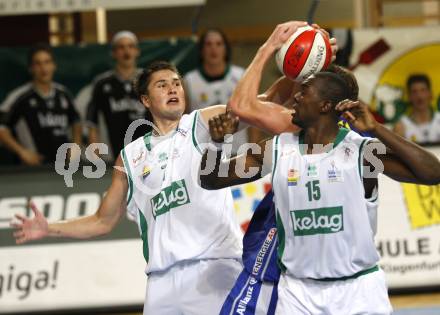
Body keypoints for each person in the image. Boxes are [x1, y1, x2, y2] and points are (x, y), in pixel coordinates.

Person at [200, 21, 440, 314]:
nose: (296, 96)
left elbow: (432, 173)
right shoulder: (278, 148)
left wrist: (377, 129)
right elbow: (212, 179)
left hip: (358, 292)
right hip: (299, 294)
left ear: (326, 106)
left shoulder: (360, 152)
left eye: (306, 91)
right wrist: (217, 143)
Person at [11, 60, 246, 315]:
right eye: (162, 85)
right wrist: (50, 228)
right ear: (146, 100)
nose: (173, 89)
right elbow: (102, 221)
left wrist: (270, 53)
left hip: (214, 270)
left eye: (177, 83)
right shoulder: (130, 156)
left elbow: (248, 111)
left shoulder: (200, 123)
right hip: (162, 282)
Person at [0, 43, 81, 165]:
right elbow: (1, 129)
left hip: (64, 169)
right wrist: (22, 152)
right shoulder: (20, 97)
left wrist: (75, 146)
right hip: (34, 171)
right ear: (31, 68)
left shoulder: (64, 94)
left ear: (54, 65)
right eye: (38, 64)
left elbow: (76, 121)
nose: (44, 69)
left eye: (47, 62)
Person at [85, 31, 150, 160]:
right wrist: (95, 151)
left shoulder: (148, 79)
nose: (126, 51)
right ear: (114, 53)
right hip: (113, 157)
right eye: (121, 47)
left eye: (131, 46)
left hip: (148, 154)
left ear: (137, 51)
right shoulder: (102, 83)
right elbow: (92, 120)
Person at [184, 28, 248, 154]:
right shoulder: (188, 81)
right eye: (208, 44)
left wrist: (253, 149)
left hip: (238, 151)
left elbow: (253, 117)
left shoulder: (241, 76)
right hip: (204, 154)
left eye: (219, 44)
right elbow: (185, 122)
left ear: (225, 49)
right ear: (201, 50)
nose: (214, 49)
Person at [393, 74, 440, 143]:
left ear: (430, 94)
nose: (419, 96)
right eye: (414, 92)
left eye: (423, 90)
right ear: (409, 97)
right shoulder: (401, 126)